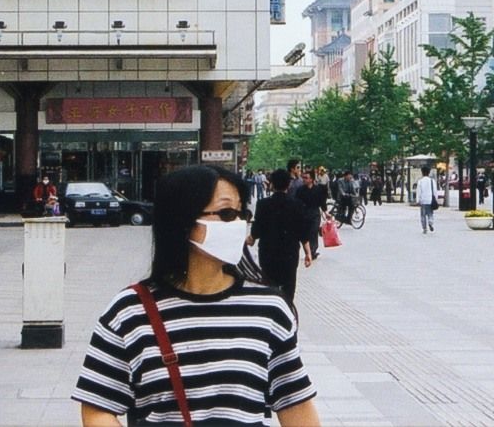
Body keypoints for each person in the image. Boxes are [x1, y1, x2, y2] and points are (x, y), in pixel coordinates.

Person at [73, 165, 320, 426]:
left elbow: (296, 404)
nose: (238, 225)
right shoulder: (129, 311)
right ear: (183, 220)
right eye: (226, 214)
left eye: (242, 214)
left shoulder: (269, 308)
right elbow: (97, 408)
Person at [250, 169, 313, 302]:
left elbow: (256, 230)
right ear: (288, 185)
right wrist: (308, 253)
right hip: (289, 254)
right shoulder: (297, 205)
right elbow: (303, 232)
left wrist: (249, 240)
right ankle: (287, 308)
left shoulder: (263, 204)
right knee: (289, 286)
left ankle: (271, 309)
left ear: (272, 184)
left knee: (269, 285)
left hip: (268, 253)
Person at [299, 172, 327, 259]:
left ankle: (313, 251)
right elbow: (296, 202)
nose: (304, 179)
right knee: (307, 233)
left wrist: (325, 212)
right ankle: (308, 251)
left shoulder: (318, 190)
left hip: (315, 214)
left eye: (306, 178)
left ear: (311, 179)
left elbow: (322, 202)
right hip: (304, 214)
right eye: (303, 178)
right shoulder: (300, 190)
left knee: (314, 232)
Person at [415, 165, 438, 233]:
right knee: (430, 214)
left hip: (423, 201)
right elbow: (435, 191)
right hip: (430, 200)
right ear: (429, 172)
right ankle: (430, 222)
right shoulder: (432, 181)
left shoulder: (420, 181)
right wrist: (436, 199)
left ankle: (424, 228)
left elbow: (418, 191)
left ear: (422, 172)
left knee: (423, 215)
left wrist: (417, 200)